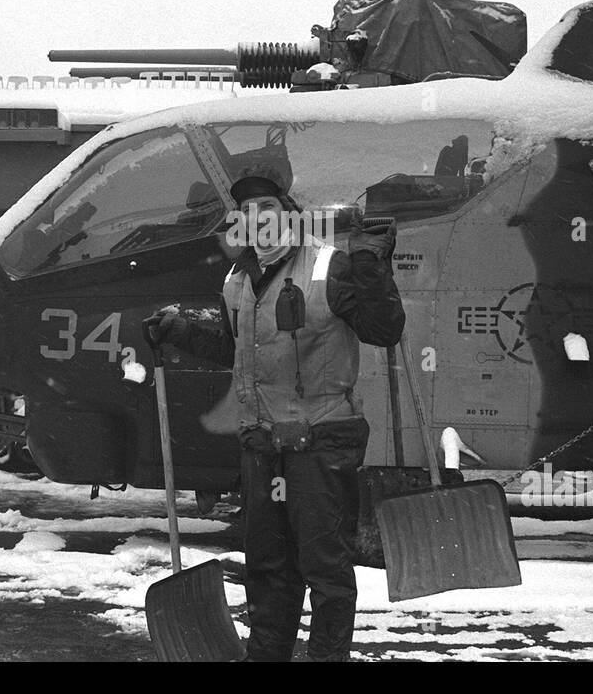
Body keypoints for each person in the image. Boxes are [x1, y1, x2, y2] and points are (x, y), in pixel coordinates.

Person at [144, 170, 404, 661]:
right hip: (263, 446)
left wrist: (371, 265)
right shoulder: (237, 279)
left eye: (267, 206)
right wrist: (181, 331)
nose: (257, 217)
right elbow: (238, 349)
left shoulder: (331, 267)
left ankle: (328, 657)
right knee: (268, 565)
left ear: (288, 214)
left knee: (324, 566)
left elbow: (383, 329)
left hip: (323, 440)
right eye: (247, 210)